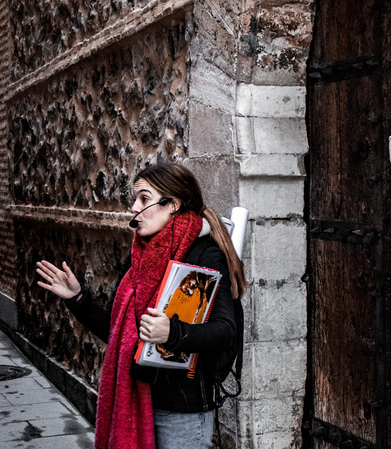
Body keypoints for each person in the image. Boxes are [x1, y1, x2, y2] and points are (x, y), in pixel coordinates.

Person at [36, 163, 246, 449]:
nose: (134, 207)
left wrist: (172, 333)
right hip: (138, 393)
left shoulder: (204, 255)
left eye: (144, 199)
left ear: (172, 204)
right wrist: (78, 298)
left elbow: (225, 332)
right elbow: (118, 333)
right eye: (135, 198)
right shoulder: (140, 256)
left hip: (182, 410)